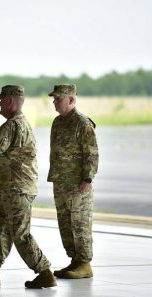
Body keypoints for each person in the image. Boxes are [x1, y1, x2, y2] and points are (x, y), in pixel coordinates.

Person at [0, 85, 56, 289]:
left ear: (10, 101)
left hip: (17, 189)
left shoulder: (13, 126)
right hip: (12, 190)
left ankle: (45, 272)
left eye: (1, 99)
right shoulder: (17, 125)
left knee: (20, 234)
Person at [47, 84, 99, 279]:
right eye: (54, 98)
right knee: (65, 224)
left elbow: (91, 154)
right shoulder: (57, 122)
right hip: (60, 183)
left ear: (71, 100)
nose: (54, 101)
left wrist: (87, 178)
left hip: (78, 185)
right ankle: (75, 261)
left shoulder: (82, 123)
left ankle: (85, 264)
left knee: (80, 224)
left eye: (58, 98)